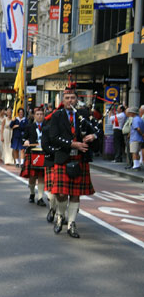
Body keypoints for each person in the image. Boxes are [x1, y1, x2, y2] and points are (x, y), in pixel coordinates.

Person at [49, 86, 100, 238]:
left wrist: (93, 137)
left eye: (72, 98)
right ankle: (60, 215)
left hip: (80, 158)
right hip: (64, 157)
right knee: (62, 194)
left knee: (76, 194)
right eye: (67, 98)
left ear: (77, 99)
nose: (70, 101)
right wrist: (72, 144)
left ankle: (71, 223)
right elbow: (53, 137)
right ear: (62, 100)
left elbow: (97, 130)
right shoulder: (57, 116)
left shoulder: (83, 114)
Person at [20, 106, 46, 206]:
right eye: (38, 114)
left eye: (41, 114)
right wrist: (25, 141)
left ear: (44, 116)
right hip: (32, 153)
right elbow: (23, 138)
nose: (39, 116)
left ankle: (40, 197)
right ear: (34, 116)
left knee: (41, 176)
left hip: (43, 153)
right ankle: (32, 193)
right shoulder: (29, 127)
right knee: (32, 176)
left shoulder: (47, 126)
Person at [126, 106, 144, 171]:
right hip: (139, 139)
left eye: (130, 112)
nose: (129, 113)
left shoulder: (135, 119)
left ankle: (136, 166)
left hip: (135, 138)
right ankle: (137, 165)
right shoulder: (140, 119)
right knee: (137, 152)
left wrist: (141, 134)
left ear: (133, 113)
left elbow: (137, 128)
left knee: (134, 152)